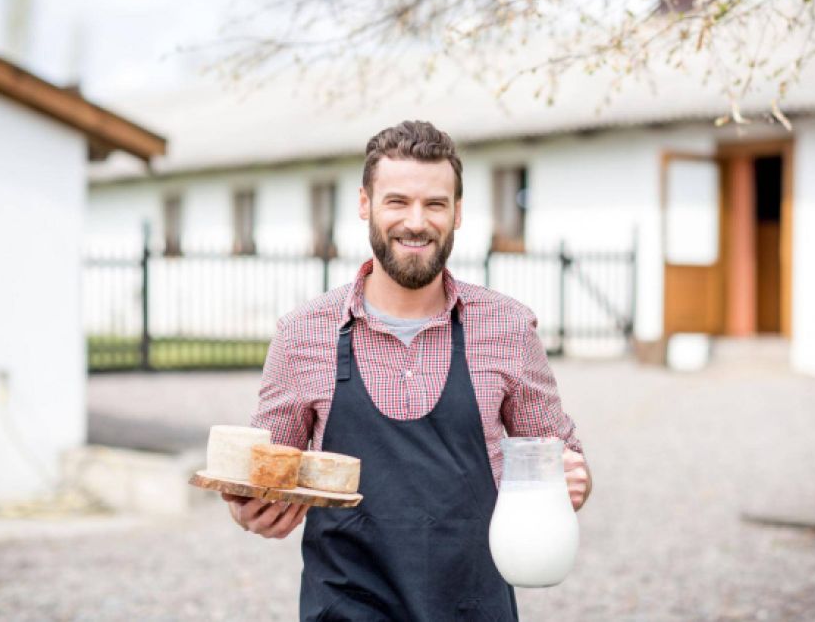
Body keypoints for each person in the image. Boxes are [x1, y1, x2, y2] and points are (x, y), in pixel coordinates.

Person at [223, 120, 592, 621]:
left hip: (473, 606)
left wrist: (572, 481)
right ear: (364, 204)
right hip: (346, 607)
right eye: (397, 201)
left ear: (457, 213)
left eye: (435, 204)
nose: (416, 222)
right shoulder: (302, 333)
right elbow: (269, 475)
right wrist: (253, 509)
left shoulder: (507, 326)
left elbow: (559, 457)